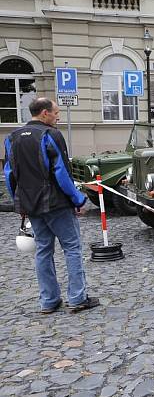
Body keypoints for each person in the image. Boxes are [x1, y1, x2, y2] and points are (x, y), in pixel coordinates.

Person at [3, 97, 100, 314]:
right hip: (56, 203)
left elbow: (9, 174)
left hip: (32, 205)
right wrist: (78, 199)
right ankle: (77, 298)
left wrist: (20, 202)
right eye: (56, 112)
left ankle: (48, 301)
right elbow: (61, 173)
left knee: (43, 251)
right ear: (45, 113)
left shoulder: (12, 138)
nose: (58, 116)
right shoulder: (50, 135)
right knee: (72, 248)